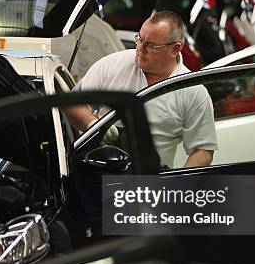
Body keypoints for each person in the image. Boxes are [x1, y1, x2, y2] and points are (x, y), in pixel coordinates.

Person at [65, 11, 217, 168]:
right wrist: (92, 124)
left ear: (175, 49)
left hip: (149, 181)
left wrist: (176, 185)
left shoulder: (192, 91)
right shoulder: (113, 64)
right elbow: (72, 103)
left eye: (150, 45)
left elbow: (203, 150)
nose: (140, 49)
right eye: (139, 39)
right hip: (96, 173)